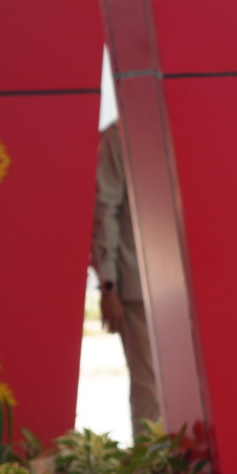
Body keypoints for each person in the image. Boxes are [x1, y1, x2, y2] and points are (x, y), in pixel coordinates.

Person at [92, 121, 160, 436]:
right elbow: (105, 211)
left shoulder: (181, 118)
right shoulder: (120, 136)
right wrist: (109, 287)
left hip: (190, 286)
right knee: (151, 390)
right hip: (140, 286)